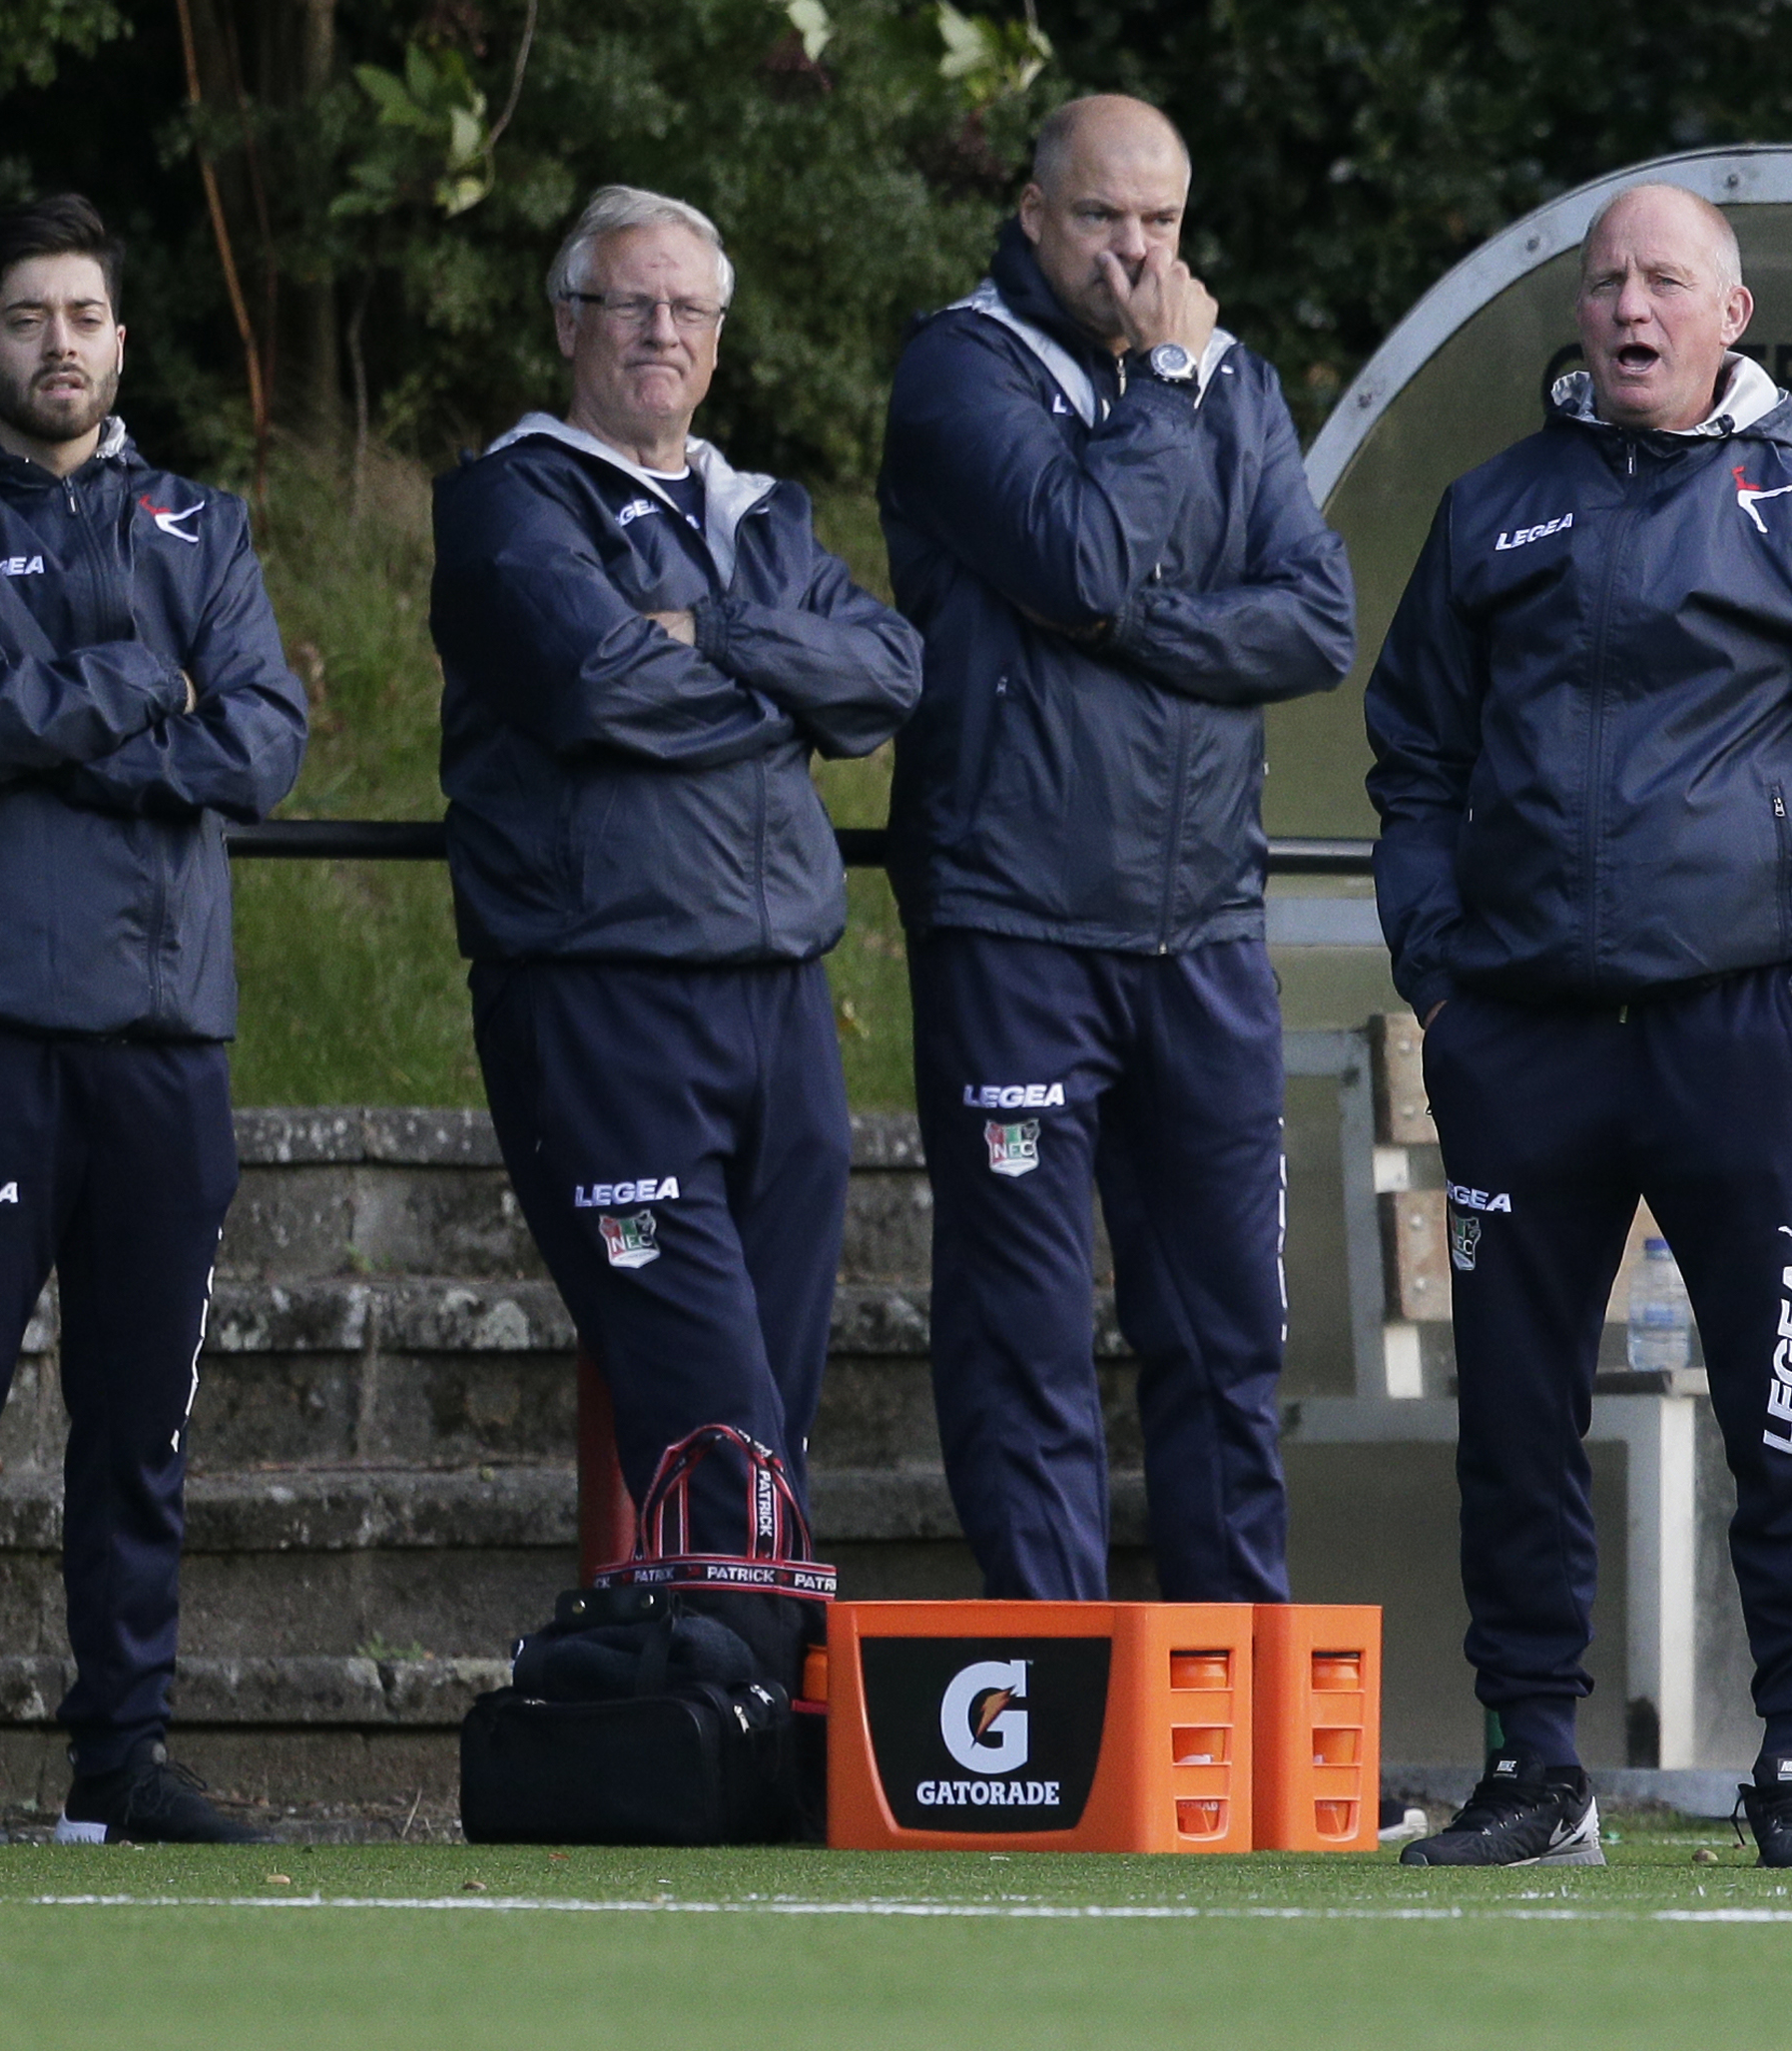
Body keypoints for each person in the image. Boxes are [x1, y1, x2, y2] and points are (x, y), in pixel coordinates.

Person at [1367, 182, 1792, 1869]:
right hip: (1524, 1042)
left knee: (1788, 1402)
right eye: (1605, 279)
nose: (1630, 304)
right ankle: (1531, 1766)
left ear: (1731, 313)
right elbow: (1407, 754)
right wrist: (1440, 973)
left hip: (1737, 1037)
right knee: (1512, 1414)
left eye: (1665, 280)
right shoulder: (1490, 508)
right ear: (1578, 312)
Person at [0, 192, 307, 1843]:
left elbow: (260, 741)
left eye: (87, 316)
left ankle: (120, 1759)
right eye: (29, 317)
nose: (61, 344)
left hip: (166, 1041)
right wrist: (142, 691)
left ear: (119, 337)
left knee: (138, 1417)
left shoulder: (206, 524)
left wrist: (91, 719)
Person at [435, 185, 922, 1686]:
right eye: (630, 304)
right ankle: (744, 1687)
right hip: (603, 995)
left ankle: (733, 1690)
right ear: (569, 324)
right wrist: (777, 673)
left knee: (769, 1381)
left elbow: (891, 673)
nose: (660, 332)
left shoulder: (757, 511)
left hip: (779, 995)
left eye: (687, 311)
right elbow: (593, 690)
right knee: (704, 1383)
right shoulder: (510, 501)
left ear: (717, 343)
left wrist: (712, 634)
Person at [876, 95, 1355, 1605]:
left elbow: (1317, 619)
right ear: (1032, 216)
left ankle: (1238, 1687)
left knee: (1227, 1326)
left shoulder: (1238, 382)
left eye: (1161, 223)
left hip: (1203, 927)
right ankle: (1061, 1686)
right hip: (1014, 919)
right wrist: (1160, 386)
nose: (1136, 253)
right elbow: (1076, 554)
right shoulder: (958, 371)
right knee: (1026, 1327)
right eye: (1102, 219)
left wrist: (1133, 632)